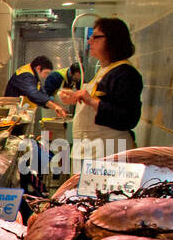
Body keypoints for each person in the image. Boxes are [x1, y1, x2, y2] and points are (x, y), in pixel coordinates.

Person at [58, 17, 143, 162]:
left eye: (96, 37)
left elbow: (128, 118)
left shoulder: (125, 73)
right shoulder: (105, 70)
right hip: (91, 151)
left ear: (113, 40)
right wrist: (77, 98)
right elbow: (100, 101)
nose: (90, 41)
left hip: (110, 153)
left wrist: (90, 100)